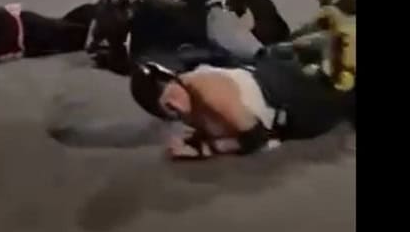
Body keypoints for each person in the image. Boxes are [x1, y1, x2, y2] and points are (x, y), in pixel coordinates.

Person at [130, 54, 352, 161]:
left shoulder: (208, 91)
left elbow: (256, 139)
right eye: (169, 109)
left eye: (173, 96)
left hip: (295, 101)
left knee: (343, 97)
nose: (176, 106)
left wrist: (203, 149)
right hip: (273, 75)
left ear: (175, 79)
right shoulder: (187, 91)